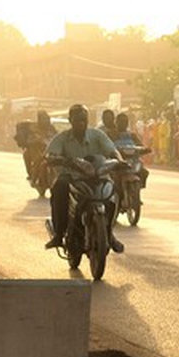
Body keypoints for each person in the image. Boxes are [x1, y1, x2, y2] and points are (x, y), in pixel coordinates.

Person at [44, 104, 125, 253]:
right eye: (77, 120)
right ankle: (59, 234)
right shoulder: (62, 138)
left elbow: (112, 150)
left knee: (115, 190)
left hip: (97, 175)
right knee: (59, 187)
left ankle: (109, 233)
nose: (81, 123)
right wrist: (56, 159)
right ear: (70, 120)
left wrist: (119, 161)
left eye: (83, 120)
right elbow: (51, 154)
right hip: (71, 177)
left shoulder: (97, 135)